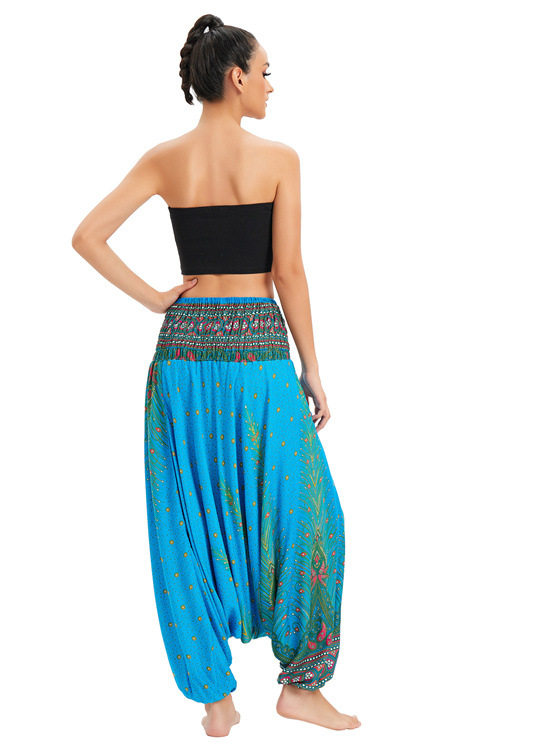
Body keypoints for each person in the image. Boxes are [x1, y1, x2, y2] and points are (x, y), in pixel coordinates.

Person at [71, 13, 361, 737]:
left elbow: (87, 236)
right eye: (265, 73)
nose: (270, 86)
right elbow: (288, 272)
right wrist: (313, 367)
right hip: (258, 354)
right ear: (236, 78)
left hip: (185, 354)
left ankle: (215, 700)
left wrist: (157, 299)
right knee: (310, 515)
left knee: (187, 519)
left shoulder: (164, 158)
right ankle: (300, 685)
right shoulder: (280, 159)